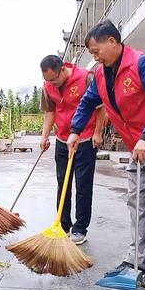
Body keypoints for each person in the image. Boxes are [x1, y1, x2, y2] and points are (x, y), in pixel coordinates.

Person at [67, 20, 145, 289]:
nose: (95, 57)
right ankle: (138, 261)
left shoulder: (142, 64)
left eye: (97, 51)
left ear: (113, 41)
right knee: (137, 205)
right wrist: (75, 130)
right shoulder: (100, 73)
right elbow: (87, 102)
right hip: (138, 148)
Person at [39, 55, 106, 245]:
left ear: (62, 69)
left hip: (84, 138)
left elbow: (100, 107)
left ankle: (80, 228)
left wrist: (98, 132)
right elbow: (50, 112)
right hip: (62, 138)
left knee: (83, 184)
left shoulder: (86, 77)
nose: (51, 83)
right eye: (47, 80)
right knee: (63, 182)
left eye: (53, 79)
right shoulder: (48, 86)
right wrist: (44, 136)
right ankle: (63, 224)